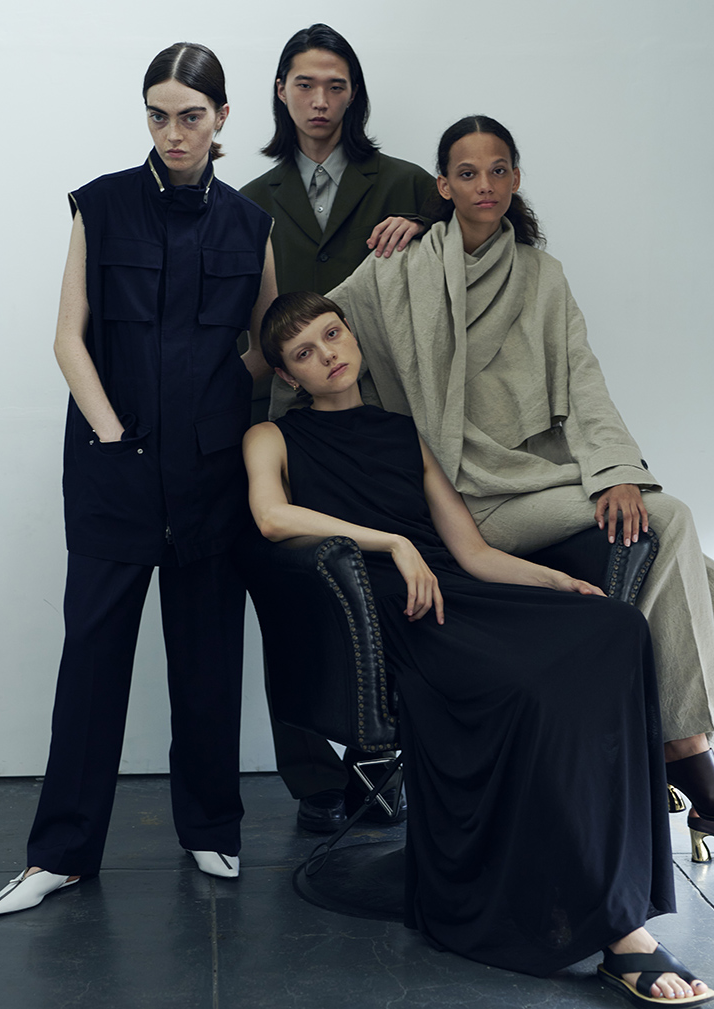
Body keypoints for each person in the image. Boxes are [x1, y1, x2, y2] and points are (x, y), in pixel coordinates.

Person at [269, 115, 714, 868]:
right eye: (466, 173)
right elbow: (312, 330)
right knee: (669, 516)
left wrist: (616, 471)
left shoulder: (542, 275)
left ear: (515, 177)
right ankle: (688, 762)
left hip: (533, 484)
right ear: (443, 186)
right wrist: (294, 446)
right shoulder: (398, 268)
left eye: (498, 169)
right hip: (464, 502)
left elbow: (583, 380)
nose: (485, 185)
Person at [243, 291, 714, 1004]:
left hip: (454, 588)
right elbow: (270, 516)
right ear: (287, 375)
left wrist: (557, 582)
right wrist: (392, 542)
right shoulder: (271, 437)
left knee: (615, 628)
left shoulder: (403, 433)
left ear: (352, 336)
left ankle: (621, 893)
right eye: (304, 352)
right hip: (392, 612)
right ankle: (623, 935)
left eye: (333, 334)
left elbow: (471, 552)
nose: (328, 354)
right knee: (530, 686)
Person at [0, 42, 277, 917]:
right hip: (113, 469)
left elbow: (268, 340)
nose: (173, 132)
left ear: (222, 118)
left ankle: (212, 827)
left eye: (191, 116)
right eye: (158, 115)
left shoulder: (250, 223)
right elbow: (67, 336)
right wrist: (111, 430)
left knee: (207, 657)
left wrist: (222, 404)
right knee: (92, 659)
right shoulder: (100, 204)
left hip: (210, 474)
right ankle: (60, 852)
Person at [240, 23, 435, 832]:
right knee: (288, 591)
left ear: (355, 94)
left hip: (381, 416)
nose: (320, 101)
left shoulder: (407, 183)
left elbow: (471, 250)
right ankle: (314, 778)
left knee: (390, 582)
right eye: (304, 84)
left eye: (336, 85)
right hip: (280, 422)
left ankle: (394, 758)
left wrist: (425, 229)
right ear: (280, 92)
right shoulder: (250, 200)